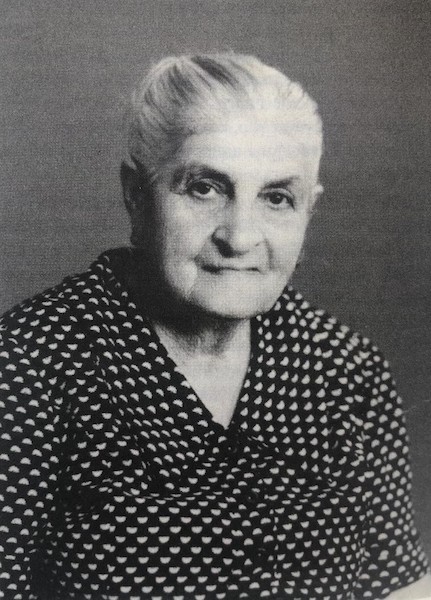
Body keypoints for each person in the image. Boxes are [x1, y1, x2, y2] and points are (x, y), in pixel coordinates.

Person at [0, 53, 430, 600]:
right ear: (136, 194)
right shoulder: (29, 365)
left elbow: (397, 587)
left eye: (277, 198)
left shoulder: (347, 368)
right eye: (205, 188)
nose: (240, 236)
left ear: (308, 210)